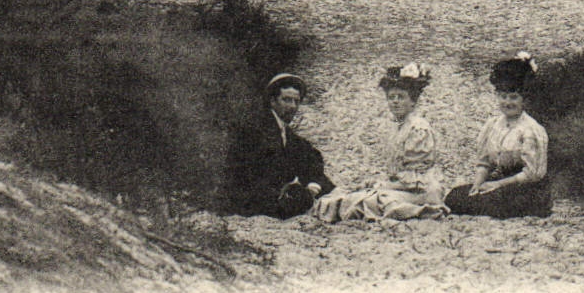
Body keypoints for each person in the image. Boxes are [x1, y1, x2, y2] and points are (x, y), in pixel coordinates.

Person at [314, 64, 447, 222]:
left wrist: (384, 185)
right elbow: (399, 172)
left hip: (420, 191)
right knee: (356, 195)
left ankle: (422, 211)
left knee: (371, 200)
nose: (395, 102)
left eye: (401, 97)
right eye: (391, 97)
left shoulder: (418, 128)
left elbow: (416, 180)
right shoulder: (398, 127)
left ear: (413, 102)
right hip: (404, 187)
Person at [446, 54, 552, 218]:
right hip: (498, 184)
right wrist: (478, 184)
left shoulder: (531, 129)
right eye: (503, 96)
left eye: (513, 97)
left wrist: (497, 184)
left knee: (493, 203)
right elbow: (485, 162)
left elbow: (532, 174)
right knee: (454, 196)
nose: (507, 102)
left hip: (525, 188)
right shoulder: (493, 125)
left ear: (524, 99)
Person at [225, 72, 334, 218]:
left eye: (296, 101)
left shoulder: (285, 132)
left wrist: (314, 184)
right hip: (253, 202)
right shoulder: (256, 129)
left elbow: (312, 157)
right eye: (287, 100)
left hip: (272, 198)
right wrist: (297, 191)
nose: (292, 107)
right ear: (272, 101)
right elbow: (251, 175)